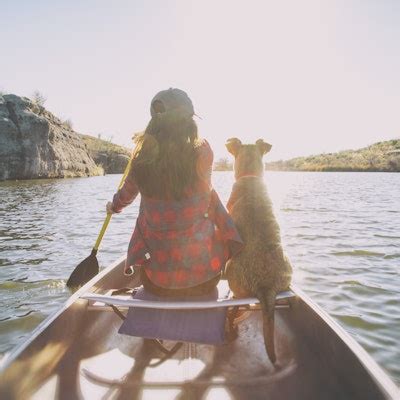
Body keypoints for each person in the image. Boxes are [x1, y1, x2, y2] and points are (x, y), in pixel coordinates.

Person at [107, 88, 242, 297]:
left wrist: (113, 207)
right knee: (210, 200)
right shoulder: (203, 153)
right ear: (189, 120)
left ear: (154, 121)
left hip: (157, 284)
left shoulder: (140, 161)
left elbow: (124, 197)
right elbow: (206, 191)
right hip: (206, 280)